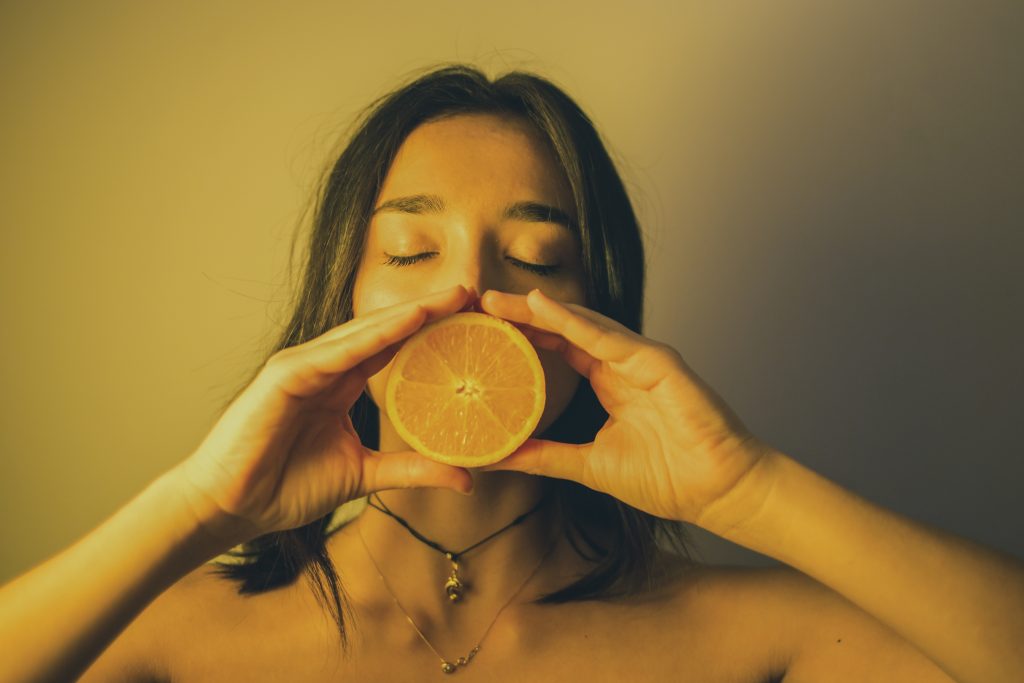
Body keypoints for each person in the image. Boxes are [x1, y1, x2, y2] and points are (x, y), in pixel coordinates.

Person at [1, 64, 1021, 683]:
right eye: (410, 253)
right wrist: (198, 505)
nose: (468, 293)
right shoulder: (168, 634)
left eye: (535, 261)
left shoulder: (747, 636)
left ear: (598, 320)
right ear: (338, 303)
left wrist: (749, 489)